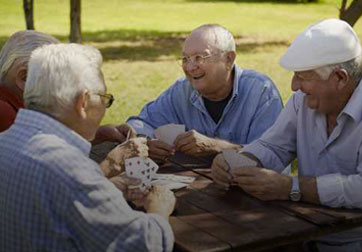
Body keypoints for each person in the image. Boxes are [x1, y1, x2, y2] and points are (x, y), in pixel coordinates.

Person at [0, 43, 175, 251]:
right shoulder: (70, 168)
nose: (104, 108)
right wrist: (159, 208)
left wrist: (107, 188)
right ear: (83, 102)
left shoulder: (7, 140)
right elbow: (144, 245)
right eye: (104, 98)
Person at [211, 18, 362, 252]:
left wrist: (291, 187)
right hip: (304, 235)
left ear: (340, 78)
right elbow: (274, 145)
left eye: (303, 77)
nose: (293, 86)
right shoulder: (302, 101)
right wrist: (239, 160)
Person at [127, 24, 283, 163]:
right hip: (197, 190)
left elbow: (272, 156)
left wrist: (216, 146)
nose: (190, 67)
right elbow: (141, 123)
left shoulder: (261, 92)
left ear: (228, 59)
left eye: (199, 58)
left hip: (252, 192)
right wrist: (146, 142)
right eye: (185, 59)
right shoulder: (182, 90)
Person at [0, 30, 135, 144]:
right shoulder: (4, 112)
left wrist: (99, 133)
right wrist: (112, 164)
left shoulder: (16, 107)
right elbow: (43, 156)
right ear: (24, 78)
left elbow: (51, 140)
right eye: (57, 78)